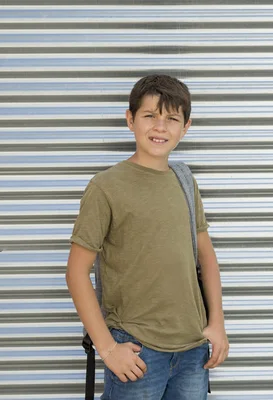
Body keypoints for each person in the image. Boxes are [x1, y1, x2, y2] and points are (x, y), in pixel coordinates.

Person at [66, 74, 229, 400]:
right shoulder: (106, 187)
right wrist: (108, 349)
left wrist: (217, 323)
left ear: (186, 127)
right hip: (138, 350)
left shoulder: (184, 181)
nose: (160, 127)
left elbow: (205, 255)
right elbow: (76, 272)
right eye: (150, 116)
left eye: (172, 119)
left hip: (192, 350)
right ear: (130, 119)